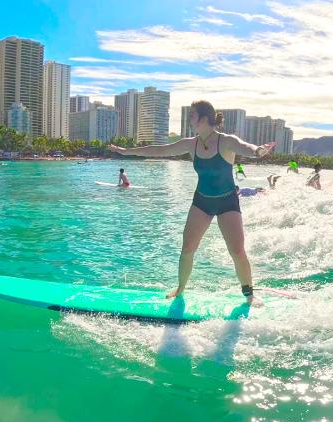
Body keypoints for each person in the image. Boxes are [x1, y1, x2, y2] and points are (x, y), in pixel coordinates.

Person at [108, 100, 274, 301]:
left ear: (203, 119)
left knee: (237, 251)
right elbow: (159, 150)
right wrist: (127, 152)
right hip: (201, 202)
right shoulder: (191, 143)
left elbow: (245, 147)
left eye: (192, 115)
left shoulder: (226, 141)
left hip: (227, 202)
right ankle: (180, 288)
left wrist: (258, 151)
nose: (189, 119)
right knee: (187, 249)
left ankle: (249, 295)